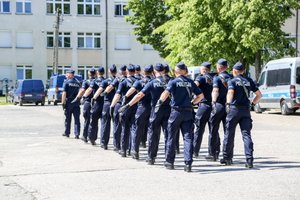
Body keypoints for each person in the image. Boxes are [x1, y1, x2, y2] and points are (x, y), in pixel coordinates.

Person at [118, 63, 171, 165]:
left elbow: (138, 94)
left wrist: (127, 104)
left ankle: (141, 153)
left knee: (143, 131)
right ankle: (168, 159)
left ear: (153, 71)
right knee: (168, 135)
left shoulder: (148, 82)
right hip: (167, 110)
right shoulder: (169, 81)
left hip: (148, 109)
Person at [158, 62, 203, 172]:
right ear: (184, 71)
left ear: (177, 71)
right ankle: (188, 163)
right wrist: (192, 103)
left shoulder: (173, 82)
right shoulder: (190, 82)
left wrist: (159, 103)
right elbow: (201, 96)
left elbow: (166, 93)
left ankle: (169, 161)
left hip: (176, 112)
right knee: (188, 138)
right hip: (188, 112)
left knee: (171, 136)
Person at [220, 62, 262, 168]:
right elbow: (259, 95)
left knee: (229, 134)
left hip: (234, 110)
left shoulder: (232, 81)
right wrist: (252, 104)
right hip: (245, 111)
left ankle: (227, 158)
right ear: (243, 71)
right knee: (246, 135)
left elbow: (230, 93)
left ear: (234, 71)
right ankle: (249, 160)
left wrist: (228, 104)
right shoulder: (249, 81)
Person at [118, 64, 153, 159]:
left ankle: (124, 150)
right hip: (147, 108)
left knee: (126, 128)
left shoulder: (135, 82)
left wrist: (124, 100)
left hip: (134, 107)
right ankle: (132, 150)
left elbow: (129, 92)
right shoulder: (153, 81)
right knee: (136, 129)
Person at [110, 65, 137, 157]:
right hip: (135, 106)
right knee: (133, 129)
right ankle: (133, 150)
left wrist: (112, 106)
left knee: (124, 128)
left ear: (127, 71)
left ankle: (124, 150)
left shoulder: (123, 82)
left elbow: (117, 95)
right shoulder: (138, 81)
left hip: (124, 107)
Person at [208, 58, 232, 161]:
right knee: (228, 132)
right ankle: (227, 156)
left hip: (218, 106)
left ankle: (214, 153)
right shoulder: (231, 78)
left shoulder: (217, 78)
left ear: (218, 67)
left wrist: (213, 102)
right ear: (226, 67)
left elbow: (215, 90)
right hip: (229, 106)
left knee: (213, 130)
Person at [92, 65, 117, 149]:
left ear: (109, 71)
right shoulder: (118, 80)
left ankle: (104, 143)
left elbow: (100, 90)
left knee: (105, 123)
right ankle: (116, 144)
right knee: (116, 124)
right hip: (116, 104)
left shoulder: (106, 81)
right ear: (116, 72)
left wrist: (94, 97)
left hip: (107, 104)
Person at [103, 65, 127, 152]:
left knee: (117, 125)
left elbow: (111, 88)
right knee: (127, 126)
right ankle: (127, 147)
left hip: (119, 104)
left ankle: (117, 145)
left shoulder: (118, 80)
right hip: (129, 105)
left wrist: (104, 93)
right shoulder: (134, 80)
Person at [193, 62, 214, 158]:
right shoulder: (215, 78)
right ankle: (213, 153)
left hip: (204, 106)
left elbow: (194, 86)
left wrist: (193, 99)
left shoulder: (200, 78)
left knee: (199, 129)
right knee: (213, 130)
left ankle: (195, 151)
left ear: (204, 70)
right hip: (214, 106)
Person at [72, 68, 96, 143]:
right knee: (94, 121)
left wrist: (78, 98)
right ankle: (92, 138)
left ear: (89, 73)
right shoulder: (98, 81)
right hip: (95, 103)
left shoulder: (86, 82)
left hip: (87, 102)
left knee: (87, 120)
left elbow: (82, 91)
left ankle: (85, 136)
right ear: (95, 74)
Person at [83, 67, 106, 145]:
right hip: (104, 104)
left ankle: (92, 138)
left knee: (94, 122)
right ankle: (103, 142)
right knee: (104, 123)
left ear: (97, 73)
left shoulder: (94, 81)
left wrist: (84, 97)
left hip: (96, 104)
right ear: (104, 73)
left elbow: (89, 90)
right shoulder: (106, 81)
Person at [61, 69, 81, 138]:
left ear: (70, 75)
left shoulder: (66, 82)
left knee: (68, 119)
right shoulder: (78, 83)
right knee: (77, 119)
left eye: (67, 74)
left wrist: (63, 103)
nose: (66, 76)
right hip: (76, 103)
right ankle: (77, 133)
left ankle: (67, 132)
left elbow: (64, 93)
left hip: (69, 103)